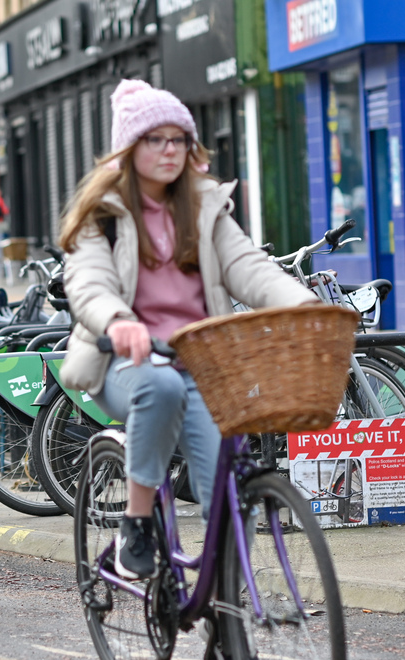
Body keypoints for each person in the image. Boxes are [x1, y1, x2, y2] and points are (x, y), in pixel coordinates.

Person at [57, 80, 316, 580]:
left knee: (221, 486)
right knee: (160, 384)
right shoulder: (103, 213)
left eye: (179, 139)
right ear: (130, 149)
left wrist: (301, 303)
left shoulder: (203, 204)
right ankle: (136, 520)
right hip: (125, 360)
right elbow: (88, 282)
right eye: (156, 139)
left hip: (202, 362)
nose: (170, 150)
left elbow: (249, 267)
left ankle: (226, 613)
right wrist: (118, 321)